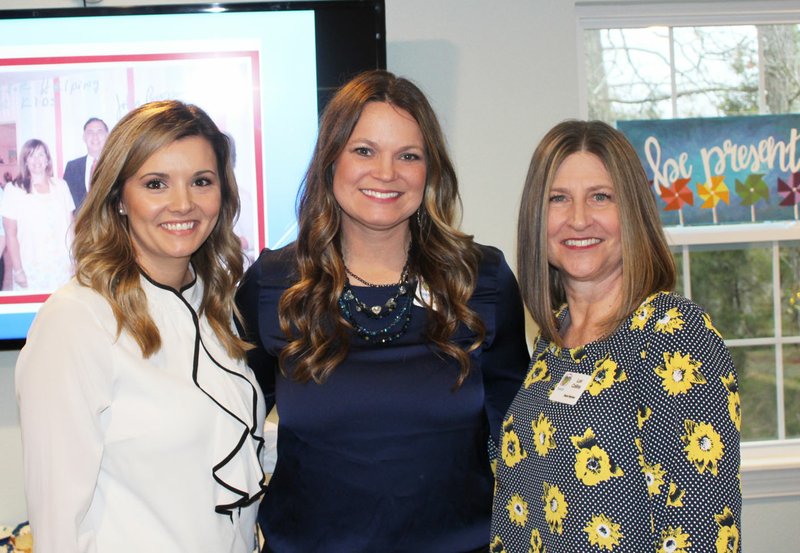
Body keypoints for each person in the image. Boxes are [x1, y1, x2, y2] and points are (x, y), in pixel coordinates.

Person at [236, 69, 529, 552]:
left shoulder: (482, 281)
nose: (386, 173)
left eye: (408, 156)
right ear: (331, 160)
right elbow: (227, 432)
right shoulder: (274, 286)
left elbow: (521, 446)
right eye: (364, 150)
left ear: (429, 171)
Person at [16, 100, 267, 552]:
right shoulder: (76, 319)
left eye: (201, 182)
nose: (183, 203)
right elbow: (56, 523)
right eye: (156, 184)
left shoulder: (215, 306)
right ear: (119, 199)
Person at [491, 120, 741, 552]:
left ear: (633, 212)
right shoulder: (554, 344)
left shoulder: (672, 335)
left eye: (600, 197)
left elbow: (701, 531)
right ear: (537, 216)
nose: (579, 219)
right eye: (558, 199)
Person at [2, 139, 74, 291]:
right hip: (31, 269)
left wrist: (74, 259)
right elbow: (10, 234)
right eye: (31, 156)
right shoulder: (13, 190)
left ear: (47, 159)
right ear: (25, 160)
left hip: (61, 267)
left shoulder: (61, 186)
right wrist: (18, 270)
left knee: (61, 310)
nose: (36, 160)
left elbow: (70, 225)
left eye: (41, 155)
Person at [63, 117, 109, 210]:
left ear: (107, 136)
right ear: (84, 137)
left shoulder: (117, 164)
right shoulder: (72, 167)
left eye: (99, 131)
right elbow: (65, 201)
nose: (95, 136)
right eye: (90, 132)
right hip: (81, 223)